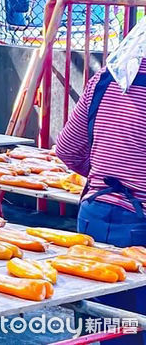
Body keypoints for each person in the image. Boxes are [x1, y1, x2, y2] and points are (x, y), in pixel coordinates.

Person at [57, 19, 146, 344]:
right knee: (132, 327)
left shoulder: (104, 80)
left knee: (94, 321)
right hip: (140, 229)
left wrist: (103, 175)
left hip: (93, 214)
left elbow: (67, 149)